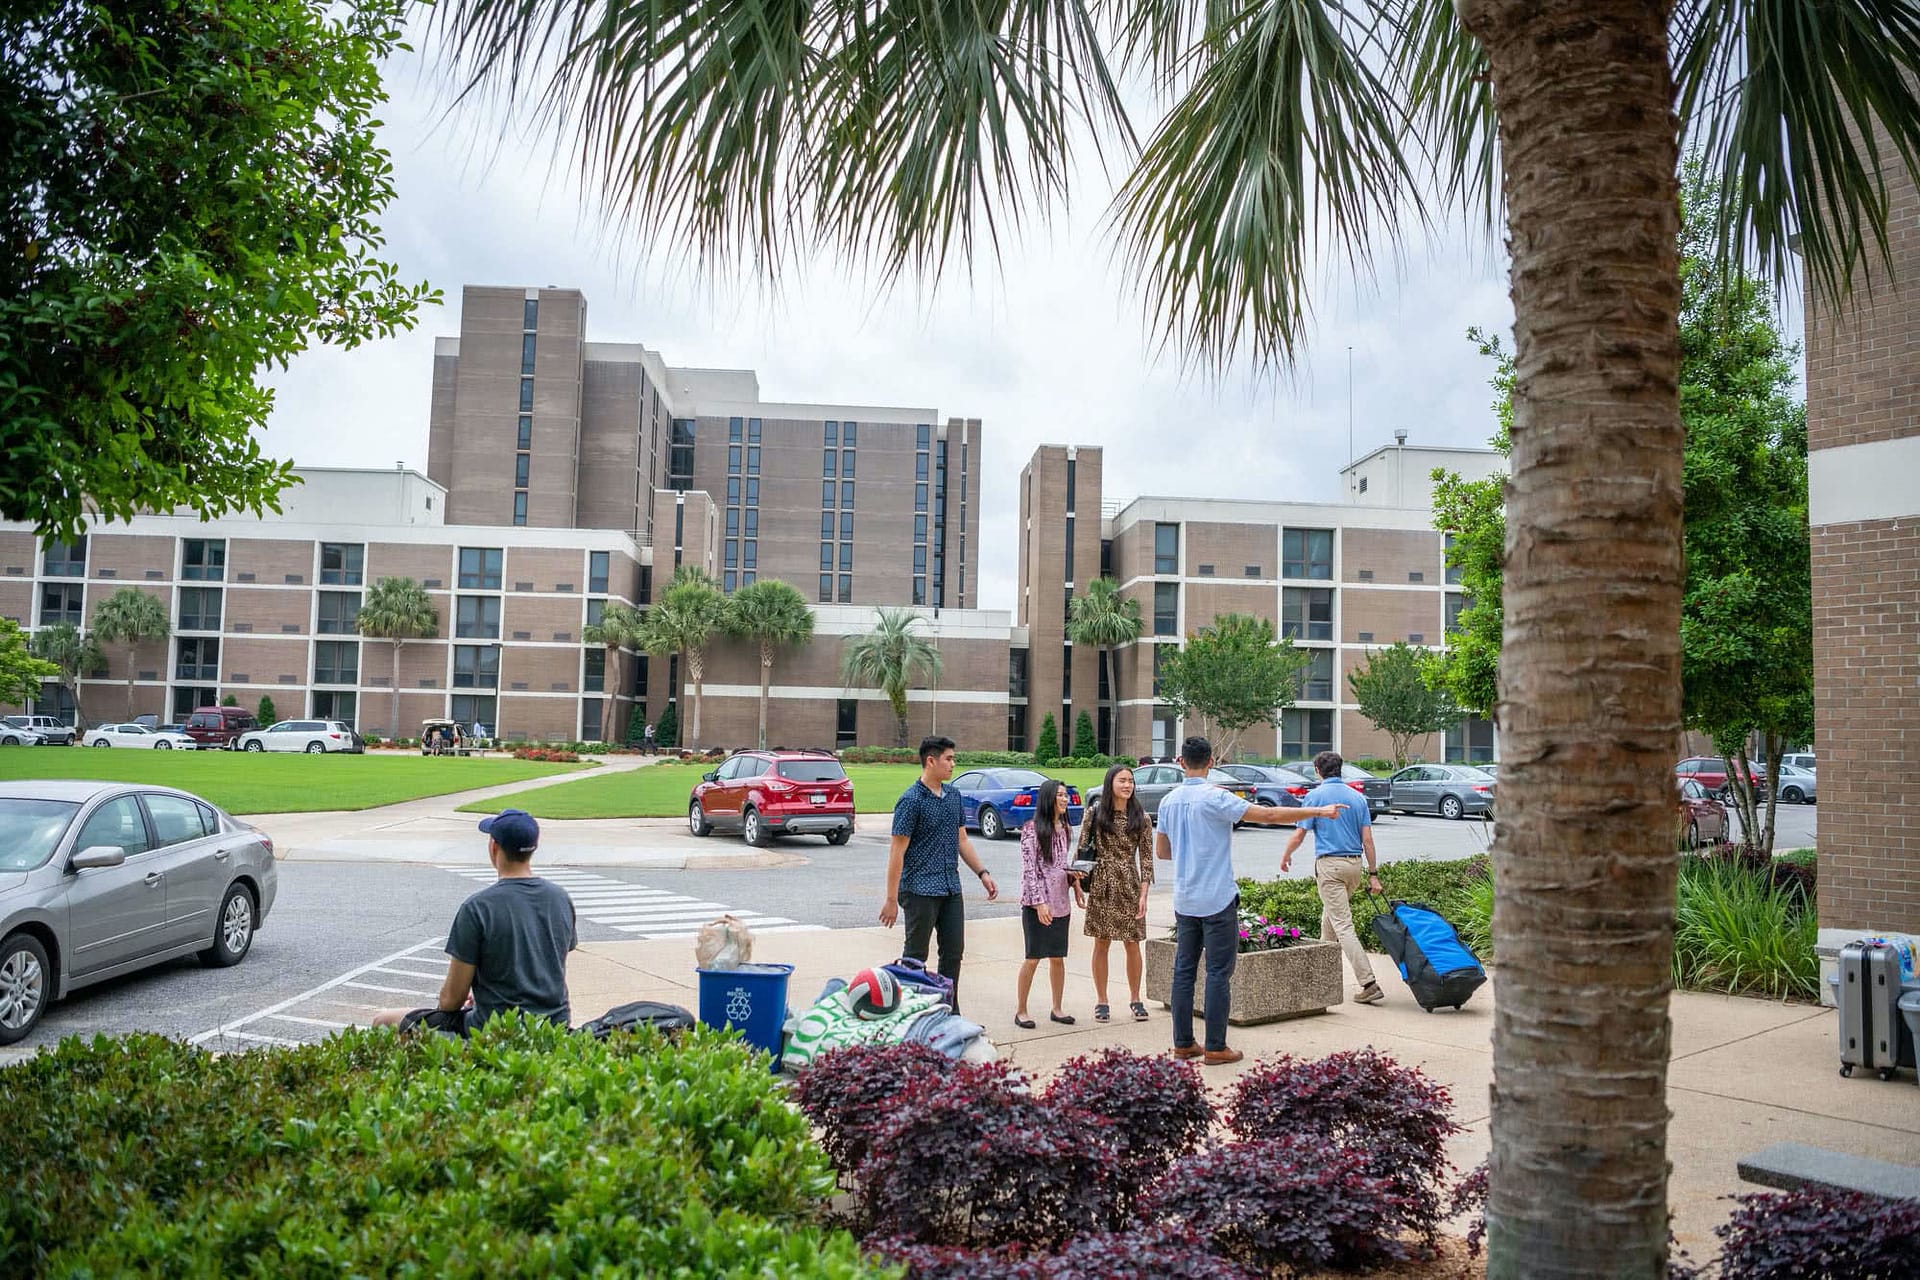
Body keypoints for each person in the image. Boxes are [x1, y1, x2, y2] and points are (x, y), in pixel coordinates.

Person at [1156, 736, 1346, 1065]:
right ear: (1212, 762)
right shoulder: (1216, 798)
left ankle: (1183, 1043)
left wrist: (1188, 848)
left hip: (1185, 898)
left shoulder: (1168, 801)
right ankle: (1215, 1046)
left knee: (1183, 972)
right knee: (1217, 972)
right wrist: (1319, 810)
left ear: (1181, 762)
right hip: (1217, 897)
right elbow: (1268, 816)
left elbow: (1162, 851)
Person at [372, 809, 576, 1035]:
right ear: (533, 847)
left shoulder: (478, 907)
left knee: (383, 1021)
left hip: (494, 1029)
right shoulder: (560, 898)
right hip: (554, 1025)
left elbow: (451, 999)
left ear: (494, 847)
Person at [879, 735, 1000, 1015]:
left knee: (953, 954)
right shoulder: (910, 801)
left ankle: (949, 1014)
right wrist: (890, 899)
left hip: (950, 889)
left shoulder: (953, 796)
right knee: (915, 958)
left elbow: (962, 840)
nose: (953, 764)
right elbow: (897, 851)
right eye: (949, 758)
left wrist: (982, 872)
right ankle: (911, 1015)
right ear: (931, 761)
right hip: (919, 890)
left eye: (953, 758)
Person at [1282, 750, 1387, 1005]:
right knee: (1329, 920)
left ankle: (1369, 982)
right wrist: (1373, 874)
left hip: (1330, 867)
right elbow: (1368, 841)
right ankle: (1318, 978)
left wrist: (1286, 855)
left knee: (1342, 925)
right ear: (1341, 769)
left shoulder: (1315, 797)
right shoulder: (1358, 798)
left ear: (1317, 771)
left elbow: (1299, 834)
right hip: (1355, 867)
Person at [1078, 762, 1156, 1023]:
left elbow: (1146, 860)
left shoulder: (1141, 817)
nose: (1127, 785)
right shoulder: (1095, 813)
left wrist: (1144, 895)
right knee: (1101, 942)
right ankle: (1102, 1000)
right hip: (1102, 882)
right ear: (1110, 783)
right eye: (1122, 780)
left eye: (1130, 781)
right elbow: (1082, 850)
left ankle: (1135, 998)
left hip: (1129, 884)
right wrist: (1079, 883)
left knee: (1132, 943)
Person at [1015, 779, 1082, 1028]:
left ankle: (1057, 1008)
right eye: (1061, 796)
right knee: (1033, 957)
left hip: (1061, 902)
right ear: (1048, 799)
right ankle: (1021, 1009)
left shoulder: (1064, 828)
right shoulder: (1031, 829)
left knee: (1057, 957)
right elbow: (1029, 870)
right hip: (1038, 904)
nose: (1065, 800)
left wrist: (1075, 882)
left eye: (1066, 796)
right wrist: (1039, 903)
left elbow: (1061, 865)